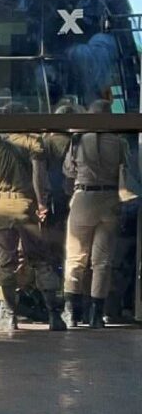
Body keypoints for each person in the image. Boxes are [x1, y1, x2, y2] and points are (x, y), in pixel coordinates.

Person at [0, 131, 67, 331]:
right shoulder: (33, 143)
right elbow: (38, 177)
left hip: (1, 208)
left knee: (5, 263)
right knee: (41, 261)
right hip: (27, 205)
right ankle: (54, 315)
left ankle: (9, 314)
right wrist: (41, 203)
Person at [61, 99, 128, 328]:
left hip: (84, 197)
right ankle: (96, 315)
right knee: (102, 261)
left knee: (76, 257)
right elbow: (126, 169)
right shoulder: (119, 142)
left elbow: (68, 170)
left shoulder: (79, 140)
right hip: (109, 199)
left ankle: (71, 312)